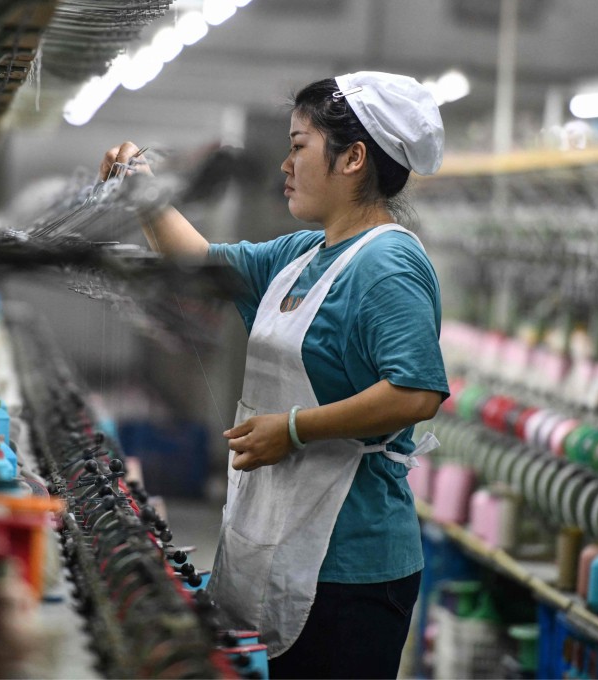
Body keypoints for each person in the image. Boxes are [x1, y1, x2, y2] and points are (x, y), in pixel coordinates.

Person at [100, 71, 450, 680]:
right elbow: (198, 265)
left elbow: (416, 391)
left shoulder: (389, 263)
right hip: (280, 541)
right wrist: (143, 192)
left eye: (299, 146)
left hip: (352, 567)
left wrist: (292, 429)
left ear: (353, 158)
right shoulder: (301, 256)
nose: (285, 165)